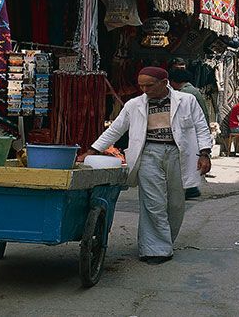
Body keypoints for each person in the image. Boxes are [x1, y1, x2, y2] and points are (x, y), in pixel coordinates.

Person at [79, 67, 213, 265]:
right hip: (149, 154)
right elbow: (116, 128)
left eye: (149, 85)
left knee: (176, 203)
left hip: (178, 154)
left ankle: (165, 240)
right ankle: (156, 249)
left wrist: (205, 153)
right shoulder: (135, 104)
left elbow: (201, 126)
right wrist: (93, 150)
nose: (144, 90)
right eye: (141, 85)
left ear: (164, 82)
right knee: (153, 202)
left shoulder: (187, 101)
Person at [168, 68, 209, 199]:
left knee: (189, 159)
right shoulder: (192, 90)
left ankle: (190, 188)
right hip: (194, 127)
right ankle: (191, 187)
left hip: (191, 129)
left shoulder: (184, 93)